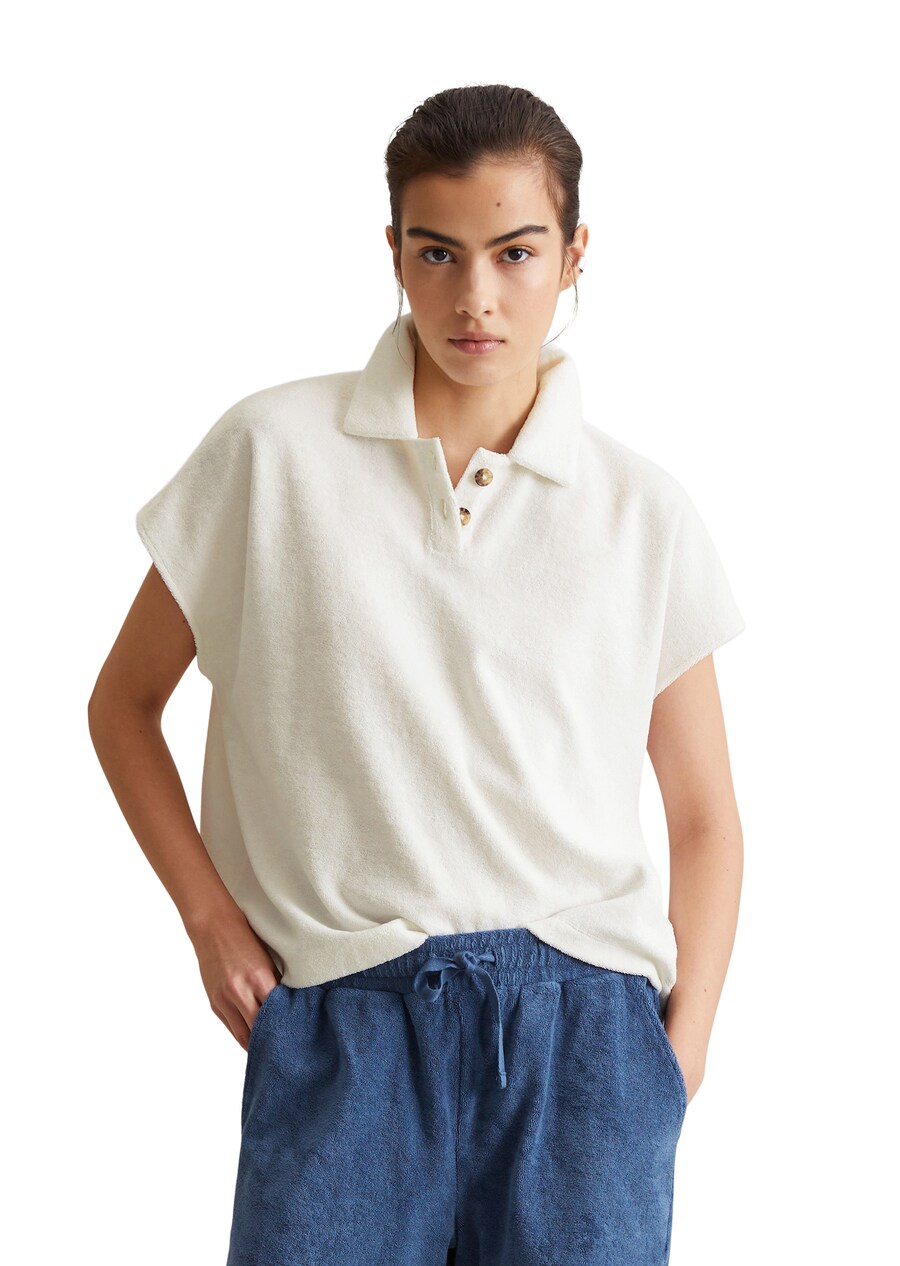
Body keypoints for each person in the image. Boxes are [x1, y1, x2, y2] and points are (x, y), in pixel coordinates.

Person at [88, 84, 747, 1266]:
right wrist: (209, 922)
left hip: (585, 1039)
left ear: (575, 254)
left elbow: (703, 816)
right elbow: (124, 704)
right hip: (349, 1014)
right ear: (393, 251)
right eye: (437, 253)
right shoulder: (273, 454)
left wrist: (679, 1053)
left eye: (516, 252)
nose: (475, 296)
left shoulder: (640, 510)